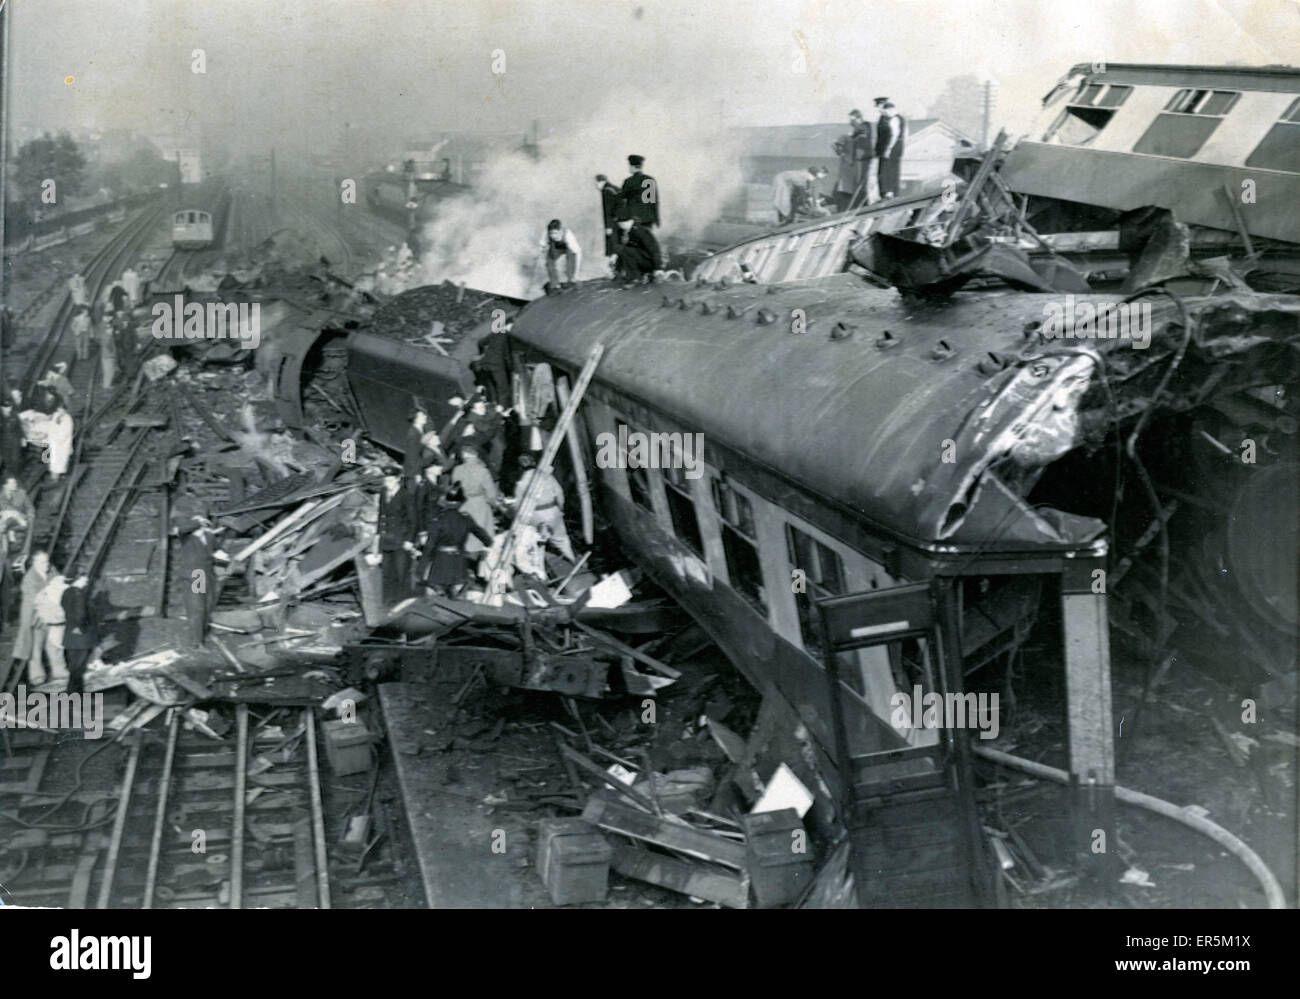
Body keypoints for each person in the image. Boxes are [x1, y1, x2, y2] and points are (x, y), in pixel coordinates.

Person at [416, 483, 494, 597]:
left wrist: (421, 569)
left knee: (436, 599)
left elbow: (430, 546)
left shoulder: (438, 520)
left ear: (446, 502)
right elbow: (485, 537)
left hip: (440, 564)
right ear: (460, 503)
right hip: (458, 565)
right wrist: (489, 544)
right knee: (457, 598)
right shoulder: (466, 519)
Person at [510, 453, 576, 561]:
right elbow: (559, 493)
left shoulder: (521, 484)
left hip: (535, 516)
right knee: (562, 539)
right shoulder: (548, 477)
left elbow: (518, 506)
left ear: (521, 467)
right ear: (534, 463)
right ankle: (572, 559)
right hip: (553, 511)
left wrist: (520, 520)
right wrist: (560, 508)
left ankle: (541, 566)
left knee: (539, 542)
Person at [451, 443, 499, 558]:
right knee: (479, 539)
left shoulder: (457, 470)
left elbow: (455, 488)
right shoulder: (482, 471)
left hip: (463, 505)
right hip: (479, 506)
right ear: (476, 455)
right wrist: (493, 504)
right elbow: (492, 495)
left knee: (464, 538)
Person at [14, 550, 53, 684]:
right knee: (36, 646)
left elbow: (60, 584)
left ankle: (57, 670)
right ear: (35, 563)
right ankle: (36, 675)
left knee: (53, 643)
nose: (46, 564)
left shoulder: (51, 571)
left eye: (47, 561)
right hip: (36, 616)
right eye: (43, 562)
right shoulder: (29, 579)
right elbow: (34, 600)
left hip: (50, 614)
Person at [177, 520, 217, 647]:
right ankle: (197, 641)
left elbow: (214, 552)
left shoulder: (209, 536)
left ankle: (202, 633)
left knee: (208, 605)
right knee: (197, 607)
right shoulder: (187, 537)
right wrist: (197, 522)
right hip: (196, 574)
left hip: (209, 574)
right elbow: (182, 528)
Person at [378, 474, 416, 604]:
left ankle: (403, 602)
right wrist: (379, 536)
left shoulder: (406, 495)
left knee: (402, 573)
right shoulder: (383, 492)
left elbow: (413, 520)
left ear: (397, 479)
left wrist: (409, 540)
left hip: (401, 539)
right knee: (387, 572)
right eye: (385, 480)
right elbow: (381, 515)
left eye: (390, 480)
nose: (386, 483)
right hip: (387, 539)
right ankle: (388, 601)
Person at [61, 574, 96, 695]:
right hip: (81, 638)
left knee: (74, 667)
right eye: (84, 580)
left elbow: (65, 608)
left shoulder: (66, 592)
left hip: (69, 636)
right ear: (78, 580)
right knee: (78, 669)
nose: (86, 582)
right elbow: (81, 615)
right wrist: (81, 628)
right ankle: (74, 694)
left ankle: (76, 693)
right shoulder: (79, 594)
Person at [34, 571, 69, 688]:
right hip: (53, 623)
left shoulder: (43, 592)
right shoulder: (61, 591)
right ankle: (59, 673)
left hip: (47, 622)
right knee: (54, 647)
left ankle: (56, 673)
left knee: (51, 648)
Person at [833, 110, 872, 212]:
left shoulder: (864, 127)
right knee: (849, 188)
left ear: (857, 118)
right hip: (852, 163)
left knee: (852, 187)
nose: (850, 122)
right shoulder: (853, 135)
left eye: (852, 119)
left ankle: (855, 207)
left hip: (857, 162)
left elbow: (861, 139)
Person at [613, 217, 663, 284]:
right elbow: (623, 253)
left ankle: (636, 277)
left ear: (629, 221)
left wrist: (658, 269)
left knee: (624, 249)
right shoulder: (624, 231)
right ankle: (639, 275)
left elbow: (654, 249)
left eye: (622, 223)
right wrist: (617, 269)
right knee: (622, 249)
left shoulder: (640, 231)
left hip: (648, 262)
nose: (620, 225)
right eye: (619, 223)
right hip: (639, 260)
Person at [618, 155, 660, 229]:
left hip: (634, 218)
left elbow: (622, 198)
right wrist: (656, 219)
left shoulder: (629, 181)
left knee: (634, 240)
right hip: (648, 218)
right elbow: (654, 201)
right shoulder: (650, 180)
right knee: (646, 239)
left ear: (632, 167)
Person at [875, 101, 907, 200]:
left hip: (892, 147)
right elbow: (905, 135)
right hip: (899, 147)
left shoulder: (894, 119)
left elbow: (893, 135)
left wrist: (888, 149)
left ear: (890, 110)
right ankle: (893, 192)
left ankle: (888, 192)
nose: (886, 114)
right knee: (894, 169)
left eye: (886, 111)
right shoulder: (902, 119)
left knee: (886, 169)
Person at [540, 219, 582, 290]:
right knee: (549, 262)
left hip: (568, 247)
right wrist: (544, 248)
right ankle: (555, 285)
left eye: (555, 233)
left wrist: (576, 274)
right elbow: (542, 246)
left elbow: (578, 253)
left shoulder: (568, 235)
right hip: (556, 247)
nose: (553, 236)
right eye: (551, 233)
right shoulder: (546, 233)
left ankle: (571, 280)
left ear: (560, 231)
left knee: (571, 259)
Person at [46, 405, 74, 482]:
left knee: (61, 460)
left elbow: (66, 432)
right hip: (55, 442)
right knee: (54, 459)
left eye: (62, 410)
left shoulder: (68, 419)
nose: (60, 412)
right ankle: (54, 477)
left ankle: (60, 475)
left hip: (63, 443)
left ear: (65, 410)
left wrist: (58, 437)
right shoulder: (55, 416)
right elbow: (51, 426)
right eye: (59, 410)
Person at [596, 174, 622, 255]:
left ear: (601, 182)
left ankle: (616, 265)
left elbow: (608, 210)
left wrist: (608, 226)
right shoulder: (614, 188)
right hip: (621, 220)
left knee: (613, 246)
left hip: (613, 223)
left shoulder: (607, 191)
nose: (596, 186)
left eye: (596, 183)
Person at [0, 402, 25, 477]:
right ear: (1, 407)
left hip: (15, 442)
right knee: (7, 462)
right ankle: (9, 478)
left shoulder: (14, 415)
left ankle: (15, 477)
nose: (7, 409)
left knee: (15, 460)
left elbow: (20, 427)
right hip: (4, 443)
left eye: (9, 407)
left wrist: (23, 438)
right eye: (5, 407)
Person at [98, 312, 119, 390]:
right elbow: (108, 345)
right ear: (108, 330)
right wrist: (112, 352)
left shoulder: (105, 335)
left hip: (105, 356)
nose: (112, 330)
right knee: (110, 371)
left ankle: (106, 384)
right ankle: (107, 385)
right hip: (109, 356)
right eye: (110, 329)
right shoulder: (108, 337)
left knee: (107, 371)